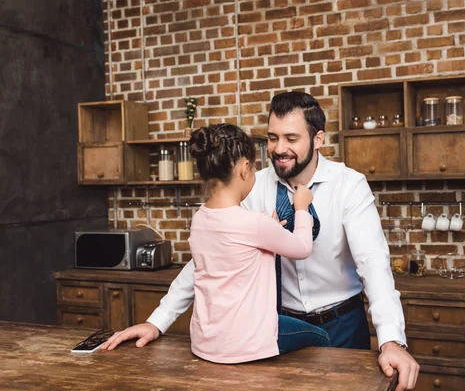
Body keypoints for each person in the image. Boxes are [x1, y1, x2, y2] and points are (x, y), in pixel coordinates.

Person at [102, 92, 419, 389]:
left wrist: (391, 340)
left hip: (343, 327)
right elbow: (207, 261)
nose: (280, 148)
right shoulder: (250, 185)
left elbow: (373, 265)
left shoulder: (349, 185)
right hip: (274, 332)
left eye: (291, 138)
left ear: (318, 139)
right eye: (272, 138)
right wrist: (157, 322)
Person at [105, 123, 331, 363]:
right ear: (245, 169)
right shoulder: (253, 223)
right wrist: (302, 206)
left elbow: (232, 249)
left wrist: (156, 322)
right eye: (253, 169)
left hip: (206, 344)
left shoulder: (200, 219)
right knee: (322, 339)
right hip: (246, 342)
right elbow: (302, 247)